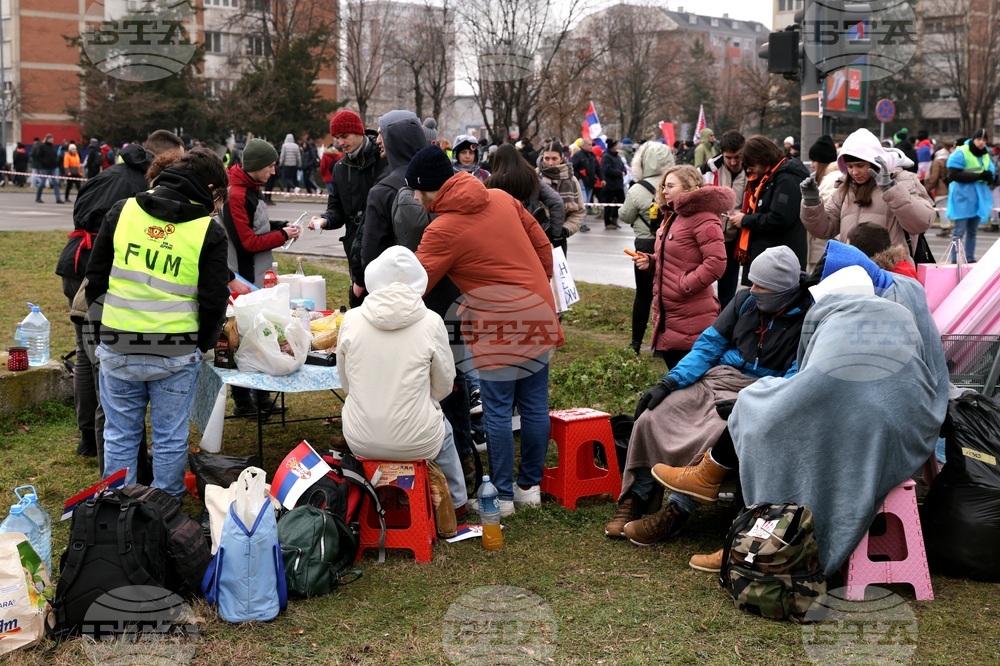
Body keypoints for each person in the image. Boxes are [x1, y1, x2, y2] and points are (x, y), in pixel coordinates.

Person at [665, 245, 948, 574]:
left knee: (770, 430)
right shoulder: (896, 308)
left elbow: (813, 382)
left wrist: (761, 398)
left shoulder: (843, 319)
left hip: (872, 429)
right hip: (902, 423)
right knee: (769, 413)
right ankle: (719, 494)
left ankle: (753, 541)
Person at [605, 246, 809, 544]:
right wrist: (670, 381)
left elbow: (796, 376)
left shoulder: (808, 316)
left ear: (782, 290)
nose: (752, 290)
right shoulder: (744, 301)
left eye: (760, 286)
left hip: (763, 390)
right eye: (751, 282)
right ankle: (637, 495)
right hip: (719, 378)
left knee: (714, 432)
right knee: (654, 415)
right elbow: (708, 346)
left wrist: (752, 401)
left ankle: (677, 512)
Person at [407, 145, 564, 516]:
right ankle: (530, 487)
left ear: (429, 188)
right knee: (534, 403)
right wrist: (536, 285)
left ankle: (504, 497)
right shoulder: (501, 197)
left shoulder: (442, 229)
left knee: (496, 410)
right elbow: (543, 244)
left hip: (498, 321)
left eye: (415, 190)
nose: (414, 197)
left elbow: (415, 282)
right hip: (537, 309)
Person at [85, 148, 231, 496]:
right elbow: (214, 301)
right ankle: (164, 513)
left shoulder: (124, 211)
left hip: (119, 343)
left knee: (119, 435)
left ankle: (116, 509)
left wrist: (106, 329)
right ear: (209, 189)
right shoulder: (207, 230)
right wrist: (201, 344)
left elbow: (95, 279)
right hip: (175, 352)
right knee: (170, 437)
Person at [56, 130, 186, 466]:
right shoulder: (143, 188)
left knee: (87, 359)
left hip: (73, 265)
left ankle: (87, 438)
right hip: (98, 271)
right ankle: (111, 454)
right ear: (161, 159)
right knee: (106, 365)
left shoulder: (106, 174)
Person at [337, 246, 468, 527]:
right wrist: (426, 400)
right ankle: (457, 504)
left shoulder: (351, 320)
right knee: (443, 429)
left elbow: (345, 382)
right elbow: (444, 384)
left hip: (361, 438)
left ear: (373, 279)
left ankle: (381, 498)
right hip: (418, 440)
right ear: (419, 283)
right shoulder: (432, 321)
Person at [220, 138, 302, 418]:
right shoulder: (237, 194)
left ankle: (262, 397)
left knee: (265, 334)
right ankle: (243, 401)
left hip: (256, 275)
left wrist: (281, 227)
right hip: (244, 278)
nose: (274, 171)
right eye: (269, 165)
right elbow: (247, 242)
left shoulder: (250, 189)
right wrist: (283, 236)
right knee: (245, 337)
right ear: (255, 166)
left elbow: (256, 226)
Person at [629, 165, 728, 368]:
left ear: (689, 187)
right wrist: (651, 261)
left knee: (691, 384)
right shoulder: (673, 215)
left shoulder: (704, 216)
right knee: (678, 379)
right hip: (671, 316)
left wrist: (683, 285)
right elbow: (673, 258)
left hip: (692, 315)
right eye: (664, 186)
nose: (664, 191)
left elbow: (716, 263)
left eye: (670, 186)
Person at [800, 128, 935, 266]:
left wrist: (891, 190)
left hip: (890, 272)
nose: (854, 172)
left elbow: (922, 222)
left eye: (860, 165)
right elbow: (824, 229)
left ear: (874, 162)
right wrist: (812, 203)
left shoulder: (903, 180)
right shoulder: (844, 187)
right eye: (850, 166)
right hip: (852, 270)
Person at [309, 110, 387, 307]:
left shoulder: (383, 158)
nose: (341, 142)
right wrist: (326, 219)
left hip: (384, 242)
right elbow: (337, 208)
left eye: (344, 136)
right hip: (354, 247)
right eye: (337, 138)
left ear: (359, 132)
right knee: (359, 303)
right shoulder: (341, 168)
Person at [358, 111, 428, 290]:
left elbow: (371, 250)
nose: (378, 140)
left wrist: (362, 282)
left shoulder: (383, 191)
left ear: (397, 140)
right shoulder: (444, 179)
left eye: (383, 134)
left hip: (394, 289)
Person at [728, 135, 809, 284]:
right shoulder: (771, 177)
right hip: (768, 255)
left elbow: (779, 218)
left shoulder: (786, 179)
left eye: (751, 165)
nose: (749, 170)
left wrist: (745, 220)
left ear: (763, 159)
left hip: (778, 261)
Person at [621, 141, 675, 354]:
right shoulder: (672, 185)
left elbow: (625, 216)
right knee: (666, 293)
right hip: (669, 243)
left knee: (642, 294)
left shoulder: (637, 189)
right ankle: (661, 345)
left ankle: (636, 342)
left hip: (644, 244)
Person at [700, 130, 748, 307]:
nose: (733, 162)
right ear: (722, 154)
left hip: (736, 238)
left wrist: (745, 218)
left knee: (728, 288)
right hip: (710, 236)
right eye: (729, 158)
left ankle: (724, 323)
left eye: (737, 157)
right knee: (702, 283)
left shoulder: (751, 170)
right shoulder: (709, 169)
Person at [486, 143, 565, 241]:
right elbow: (556, 201)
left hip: (503, 235)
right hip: (531, 233)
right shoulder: (531, 178)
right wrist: (554, 233)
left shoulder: (492, 182)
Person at [945, 129, 996, 262]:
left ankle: (970, 259)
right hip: (962, 197)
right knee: (959, 232)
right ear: (973, 139)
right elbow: (954, 175)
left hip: (978, 198)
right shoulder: (961, 152)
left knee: (973, 232)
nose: (981, 142)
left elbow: (990, 172)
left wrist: (990, 178)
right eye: (979, 139)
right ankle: (955, 261)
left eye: (984, 140)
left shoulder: (985, 154)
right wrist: (979, 176)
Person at [538, 140, 585, 257]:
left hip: (559, 238)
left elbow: (579, 212)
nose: (550, 163)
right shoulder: (534, 177)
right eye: (546, 158)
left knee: (559, 275)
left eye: (554, 159)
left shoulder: (571, 179)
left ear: (561, 158)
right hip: (535, 237)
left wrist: (564, 230)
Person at [803, 134, 840, 274]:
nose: (812, 165)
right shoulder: (828, 179)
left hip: (822, 248)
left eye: (814, 161)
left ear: (822, 161)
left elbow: (826, 216)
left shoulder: (831, 181)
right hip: (821, 247)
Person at [925, 139, 954, 237]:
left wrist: (927, 188)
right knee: (946, 207)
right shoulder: (949, 158)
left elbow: (934, 177)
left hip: (941, 188)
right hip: (950, 186)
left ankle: (945, 228)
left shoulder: (937, 161)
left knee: (942, 209)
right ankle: (947, 227)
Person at [571, 138, 600, 226]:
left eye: (591, 145)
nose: (591, 147)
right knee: (584, 203)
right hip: (582, 182)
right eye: (589, 145)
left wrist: (602, 179)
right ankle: (582, 223)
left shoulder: (592, 156)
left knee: (586, 204)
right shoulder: (578, 155)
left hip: (590, 183)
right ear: (583, 146)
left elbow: (598, 168)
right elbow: (571, 167)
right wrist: (578, 177)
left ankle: (582, 222)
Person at [34, 133, 63, 204]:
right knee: (42, 183)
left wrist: (57, 162)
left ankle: (58, 198)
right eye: (50, 139)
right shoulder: (42, 146)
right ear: (47, 139)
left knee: (56, 182)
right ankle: (38, 197)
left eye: (52, 139)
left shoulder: (53, 147)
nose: (51, 140)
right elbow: (38, 156)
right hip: (45, 168)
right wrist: (44, 162)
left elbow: (55, 156)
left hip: (54, 167)